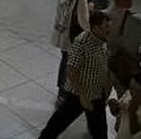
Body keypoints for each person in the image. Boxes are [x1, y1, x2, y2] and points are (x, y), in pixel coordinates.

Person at [38, 11, 112, 139]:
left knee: (99, 130)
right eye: (106, 26)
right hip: (78, 95)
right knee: (57, 124)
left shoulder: (102, 41)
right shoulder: (82, 43)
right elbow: (71, 70)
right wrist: (83, 95)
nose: (109, 29)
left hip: (96, 94)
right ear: (95, 27)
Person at [51, 0, 91, 98]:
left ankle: (60, 90)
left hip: (61, 34)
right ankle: (65, 91)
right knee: (71, 64)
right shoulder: (80, 0)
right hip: (72, 37)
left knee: (64, 61)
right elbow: (83, 22)